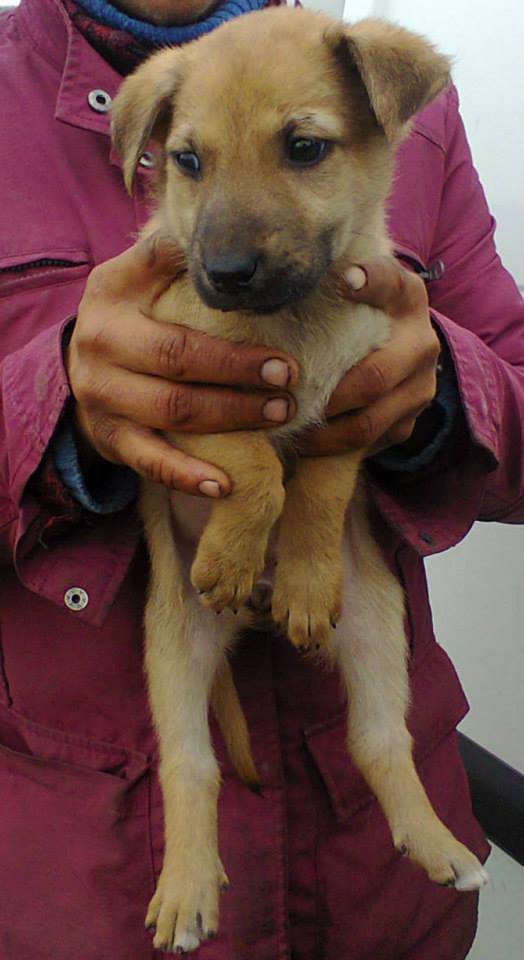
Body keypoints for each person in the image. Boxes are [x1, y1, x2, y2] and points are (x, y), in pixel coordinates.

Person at [0, 0, 522, 957]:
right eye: (190, 163)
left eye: (306, 149)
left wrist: (443, 390)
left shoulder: (383, 86)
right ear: (153, 149)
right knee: (184, 646)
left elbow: (509, 384)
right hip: (78, 870)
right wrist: (54, 411)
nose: (232, 247)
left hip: (379, 901)